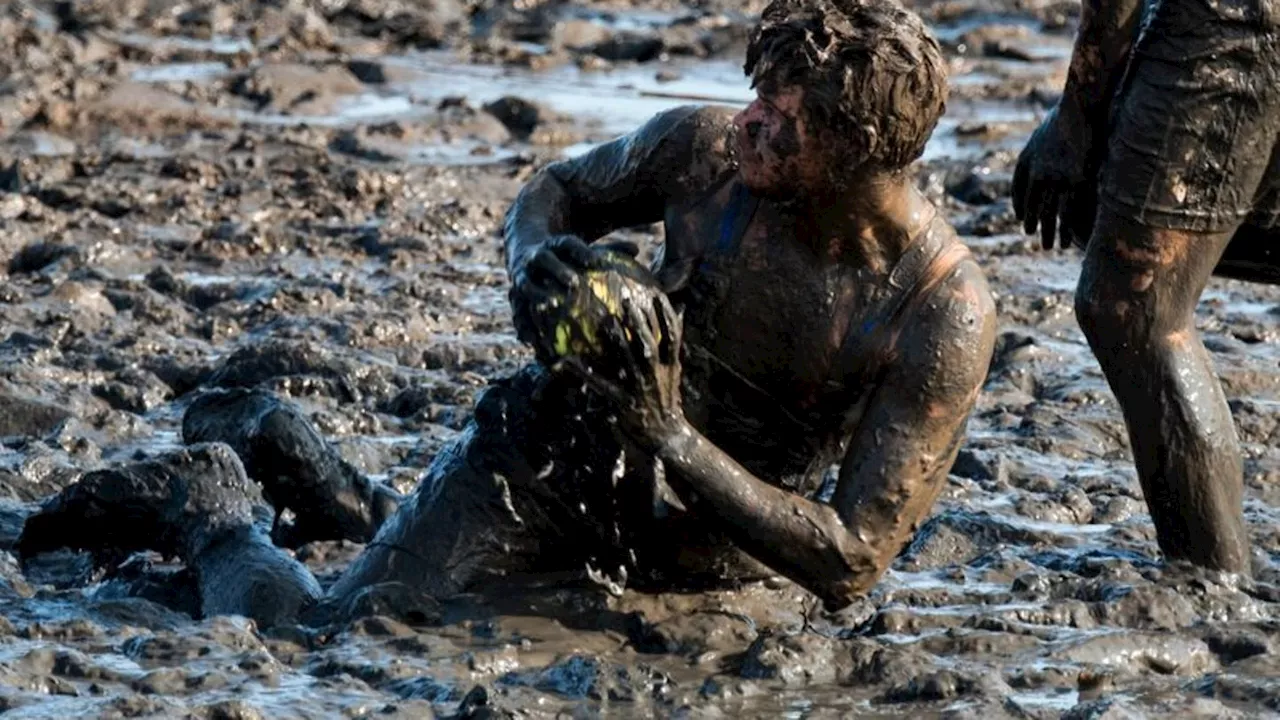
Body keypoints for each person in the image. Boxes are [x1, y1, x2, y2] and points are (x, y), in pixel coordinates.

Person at [17, 0, 997, 624]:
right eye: (755, 98)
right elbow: (551, 190)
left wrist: (666, 438)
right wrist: (533, 263)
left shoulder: (933, 313)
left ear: (856, 152)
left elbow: (852, 560)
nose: (746, 122)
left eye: (778, 124)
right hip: (545, 452)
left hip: (707, 544)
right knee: (340, 631)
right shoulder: (702, 154)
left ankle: (304, 464)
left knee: (449, 596)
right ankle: (216, 507)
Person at [1011, 0, 1280, 576]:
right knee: (1102, 217)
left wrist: (1076, 117)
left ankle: (1215, 584)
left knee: (1132, 305)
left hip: (1231, 25)